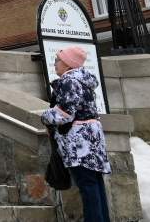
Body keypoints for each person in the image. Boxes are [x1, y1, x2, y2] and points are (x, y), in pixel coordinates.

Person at [42, 45, 111, 222]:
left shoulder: (69, 81)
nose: (55, 63)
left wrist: (45, 116)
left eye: (58, 60)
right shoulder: (84, 81)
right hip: (92, 137)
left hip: (79, 142)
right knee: (95, 183)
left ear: (67, 64)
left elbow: (65, 112)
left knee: (87, 184)